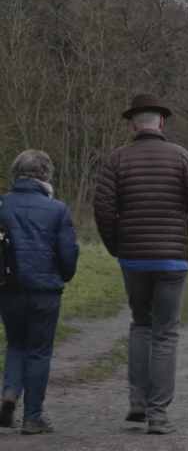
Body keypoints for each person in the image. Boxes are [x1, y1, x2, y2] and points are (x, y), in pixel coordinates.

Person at [93, 93, 188, 435]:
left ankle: (138, 401)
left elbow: (102, 209)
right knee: (166, 334)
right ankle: (158, 416)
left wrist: (118, 247)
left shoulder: (117, 160)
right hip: (173, 260)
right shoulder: (182, 158)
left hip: (134, 259)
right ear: (161, 122)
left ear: (133, 124)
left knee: (141, 325)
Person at [0, 150, 79, 434]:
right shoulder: (58, 210)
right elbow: (68, 254)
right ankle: (32, 418)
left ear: (15, 173)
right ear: (47, 175)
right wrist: (62, 277)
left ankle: (9, 392)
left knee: (16, 343)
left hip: (8, 287)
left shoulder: (1, 204)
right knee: (39, 352)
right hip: (46, 291)